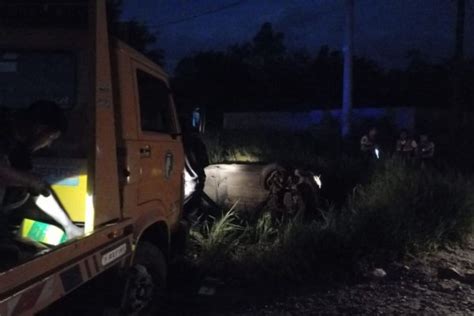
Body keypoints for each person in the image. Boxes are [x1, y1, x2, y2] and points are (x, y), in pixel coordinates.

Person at [0, 100, 82, 264]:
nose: (49, 145)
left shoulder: (21, 148)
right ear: (40, 129)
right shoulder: (3, 128)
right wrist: (29, 180)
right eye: (50, 137)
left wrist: (68, 226)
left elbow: (36, 189)